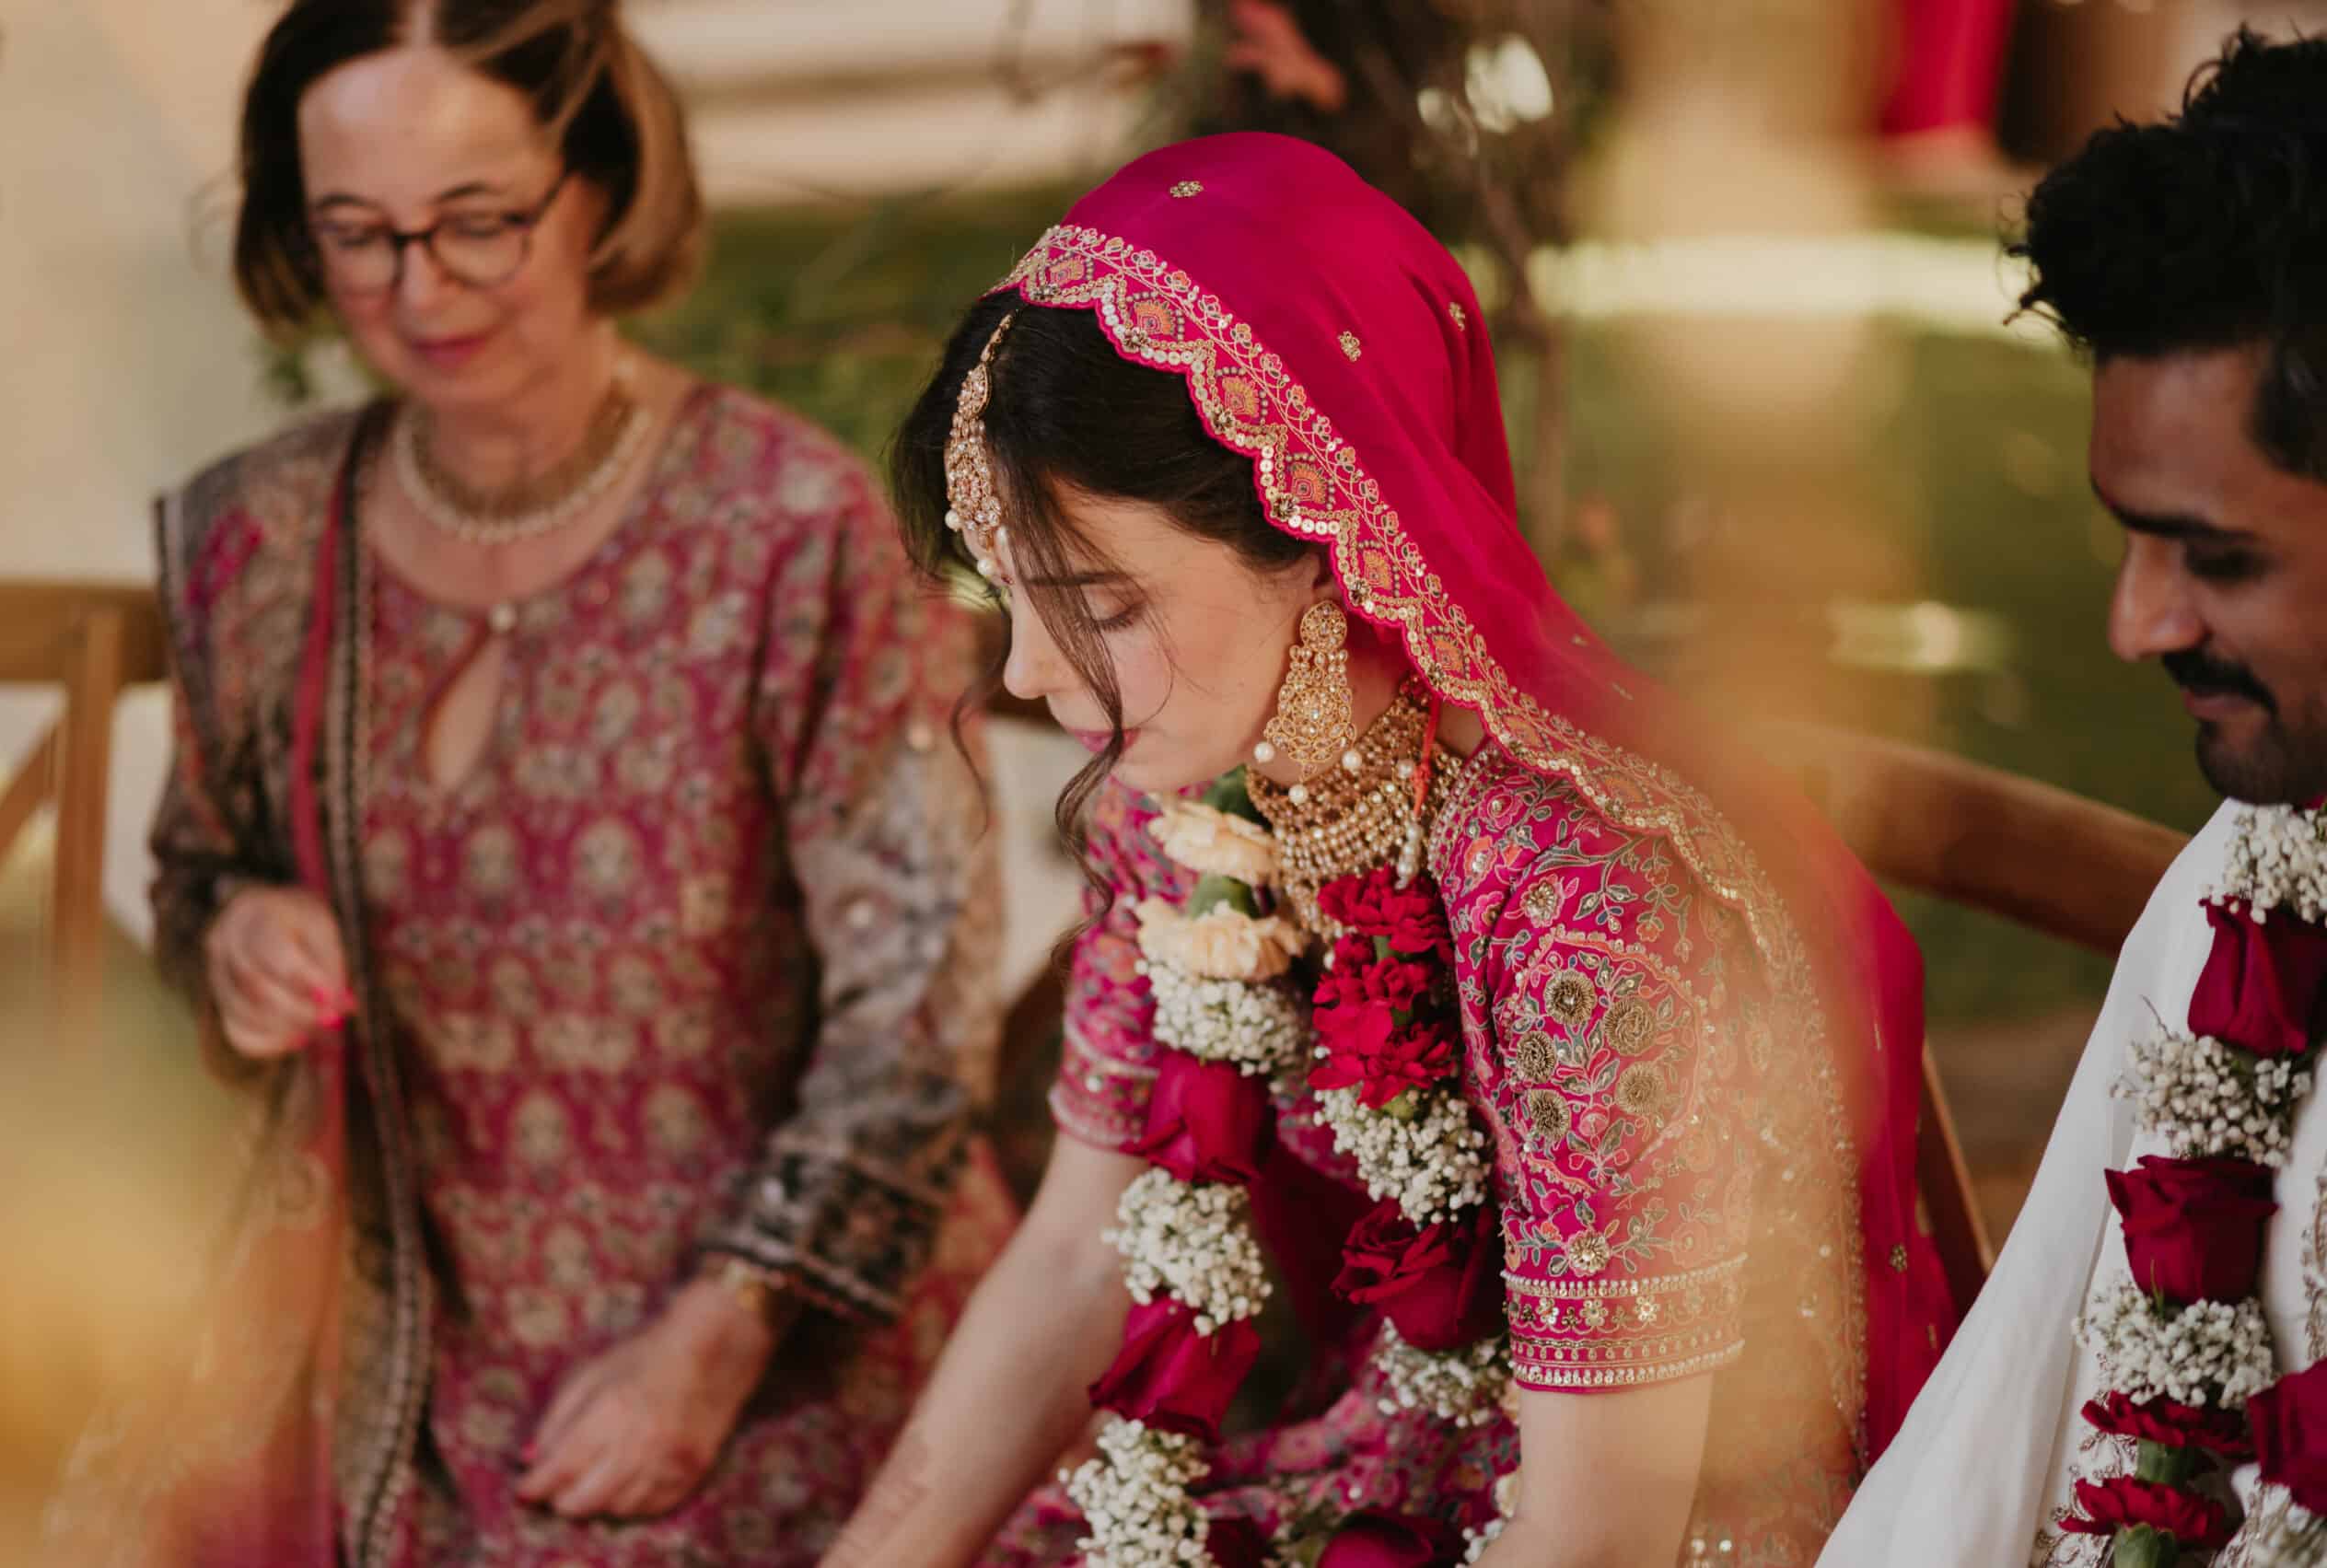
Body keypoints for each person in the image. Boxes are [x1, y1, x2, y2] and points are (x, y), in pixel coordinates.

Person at [819, 132, 1957, 1568]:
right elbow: (1073, 1251)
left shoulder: (1579, 910)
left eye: (1099, 608)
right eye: (1012, 599)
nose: (1030, 675)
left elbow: (1601, 1534)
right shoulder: (1192, 803)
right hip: (1402, 1462)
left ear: (1315, 527)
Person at [42, 4, 1012, 1564]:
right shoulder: (259, 535)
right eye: (358, 233)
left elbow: (918, 1016)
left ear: (600, 186)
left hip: (765, 1365)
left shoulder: (790, 528)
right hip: (382, 1355)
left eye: (478, 220)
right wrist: (233, 943)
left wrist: (722, 1333)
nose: (420, 289)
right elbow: (196, 879)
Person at [1821, 30, 2327, 1566]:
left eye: (2216, 557)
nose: (2136, 623)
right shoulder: (2251, 881)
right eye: (2132, 539)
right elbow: (2005, 1423)